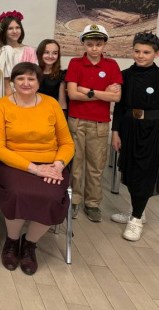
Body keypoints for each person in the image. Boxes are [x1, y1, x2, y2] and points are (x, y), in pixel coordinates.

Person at [0, 62, 74, 275]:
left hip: (51, 164)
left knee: (52, 196)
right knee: (18, 192)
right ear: (13, 82)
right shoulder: (2, 105)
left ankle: (30, 244)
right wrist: (34, 169)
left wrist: (58, 164)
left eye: (31, 79)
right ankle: (12, 241)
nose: (25, 83)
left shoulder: (51, 104)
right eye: (20, 78)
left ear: (38, 82)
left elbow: (67, 142)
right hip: (12, 163)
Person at [66, 24, 122, 222]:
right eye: (90, 44)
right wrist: (103, 94)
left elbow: (116, 97)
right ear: (83, 44)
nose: (94, 48)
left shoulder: (111, 65)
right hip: (77, 121)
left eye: (98, 44)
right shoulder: (75, 63)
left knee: (96, 166)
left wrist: (88, 91)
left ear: (104, 44)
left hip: (100, 123)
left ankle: (92, 203)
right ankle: (74, 200)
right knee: (76, 163)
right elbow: (72, 94)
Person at [110, 32, 159, 241]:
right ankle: (138, 210)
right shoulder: (125, 75)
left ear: (156, 54)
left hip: (153, 130)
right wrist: (115, 132)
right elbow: (120, 107)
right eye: (137, 51)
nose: (140, 56)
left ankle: (136, 219)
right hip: (129, 128)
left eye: (146, 52)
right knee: (130, 171)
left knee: (145, 172)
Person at [0, 11, 37, 94]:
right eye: (10, 28)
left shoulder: (30, 51)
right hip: (0, 92)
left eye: (17, 27)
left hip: (22, 93)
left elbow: (33, 75)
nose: (15, 31)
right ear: (4, 31)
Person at [36, 39, 67, 110]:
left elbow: (62, 102)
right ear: (40, 53)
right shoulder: (33, 73)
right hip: (35, 110)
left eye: (55, 53)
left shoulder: (62, 74)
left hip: (54, 111)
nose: (50, 56)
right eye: (46, 52)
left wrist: (62, 115)